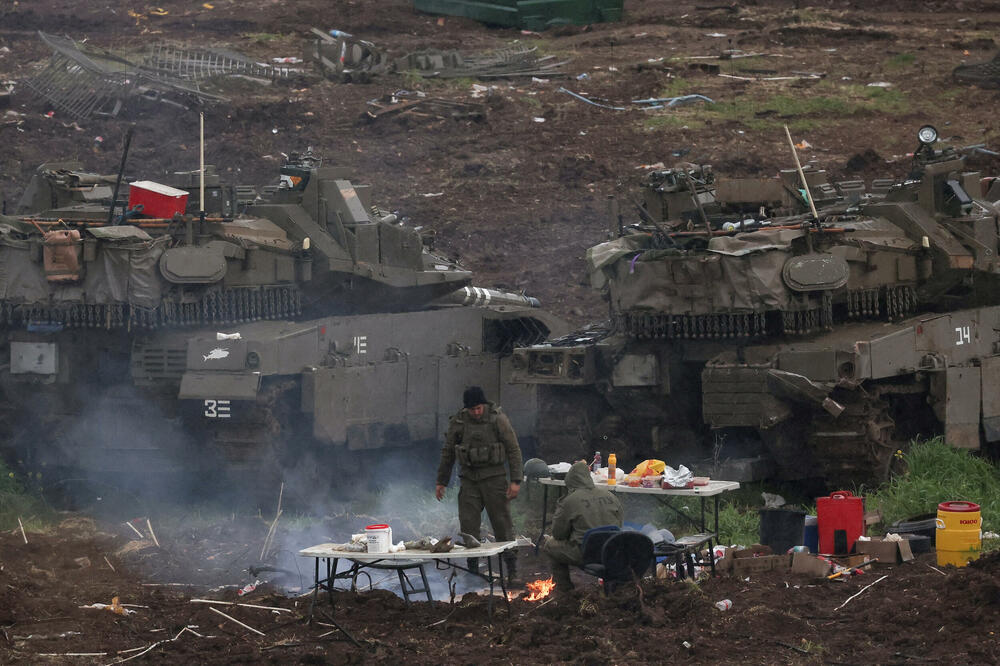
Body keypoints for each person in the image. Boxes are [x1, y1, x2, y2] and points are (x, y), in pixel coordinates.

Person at [435, 385, 523, 577]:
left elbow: (513, 449)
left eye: (478, 408)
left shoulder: (497, 419)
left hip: (495, 479)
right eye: (472, 409)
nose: (476, 412)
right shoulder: (459, 422)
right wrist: (441, 481)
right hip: (469, 480)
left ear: (483, 405)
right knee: (468, 526)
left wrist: (516, 480)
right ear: (466, 408)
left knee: (503, 524)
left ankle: (512, 570)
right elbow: (448, 452)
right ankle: (473, 571)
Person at [541, 460, 624, 592]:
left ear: (570, 481)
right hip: (611, 551)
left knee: (550, 544)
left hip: (585, 553)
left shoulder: (570, 501)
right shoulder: (611, 496)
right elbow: (619, 524)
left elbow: (558, 534)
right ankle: (613, 586)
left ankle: (564, 590)